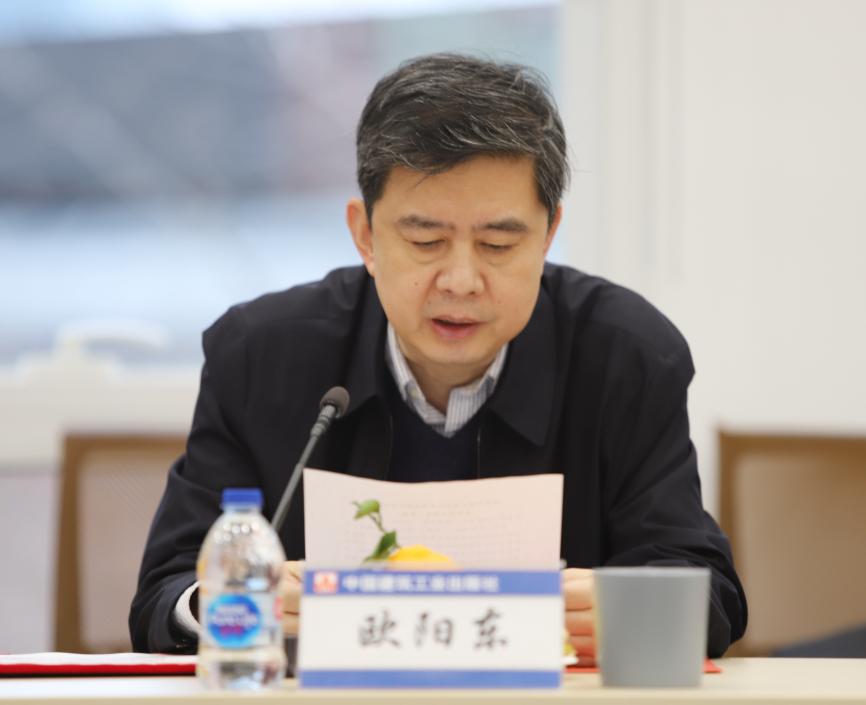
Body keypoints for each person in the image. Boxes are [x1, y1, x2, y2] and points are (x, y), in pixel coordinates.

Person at [130, 53, 747, 662]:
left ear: (548, 235)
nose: (461, 281)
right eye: (426, 240)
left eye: (498, 244)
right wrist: (230, 601)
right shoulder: (259, 355)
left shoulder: (626, 356)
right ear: (366, 235)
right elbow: (167, 593)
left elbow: (707, 591)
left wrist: (632, 610)